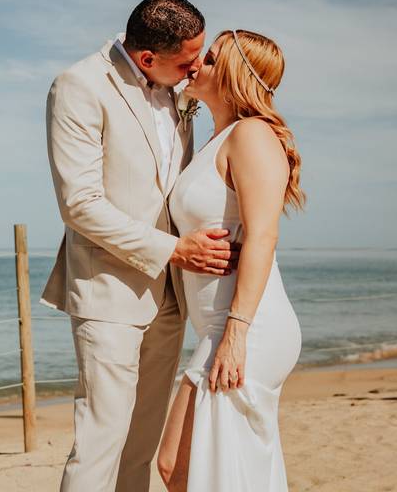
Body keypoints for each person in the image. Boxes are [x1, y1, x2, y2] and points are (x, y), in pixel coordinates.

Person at [41, 0, 238, 491]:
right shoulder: (79, 87)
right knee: (99, 444)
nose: (198, 69)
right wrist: (175, 249)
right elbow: (80, 205)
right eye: (189, 60)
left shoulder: (181, 91)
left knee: (141, 446)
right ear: (148, 58)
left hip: (171, 296)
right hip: (109, 292)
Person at [157, 29, 305, 491]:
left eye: (212, 57)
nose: (196, 63)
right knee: (187, 470)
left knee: (198, 471)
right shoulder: (213, 141)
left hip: (246, 327)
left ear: (235, 74)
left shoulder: (253, 136)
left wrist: (236, 334)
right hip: (220, 327)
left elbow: (264, 234)